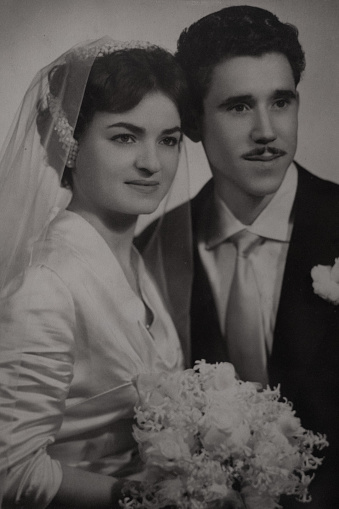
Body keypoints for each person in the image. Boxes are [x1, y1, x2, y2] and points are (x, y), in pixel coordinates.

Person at [138, 5, 339, 508]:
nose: (267, 131)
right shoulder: (152, 251)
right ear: (193, 123)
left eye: (282, 102)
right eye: (238, 106)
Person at [0, 37, 193, 509]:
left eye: (168, 139)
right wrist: (147, 499)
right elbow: (10, 472)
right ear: (69, 145)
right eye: (125, 137)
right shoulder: (46, 285)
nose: (152, 163)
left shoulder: (136, 260)